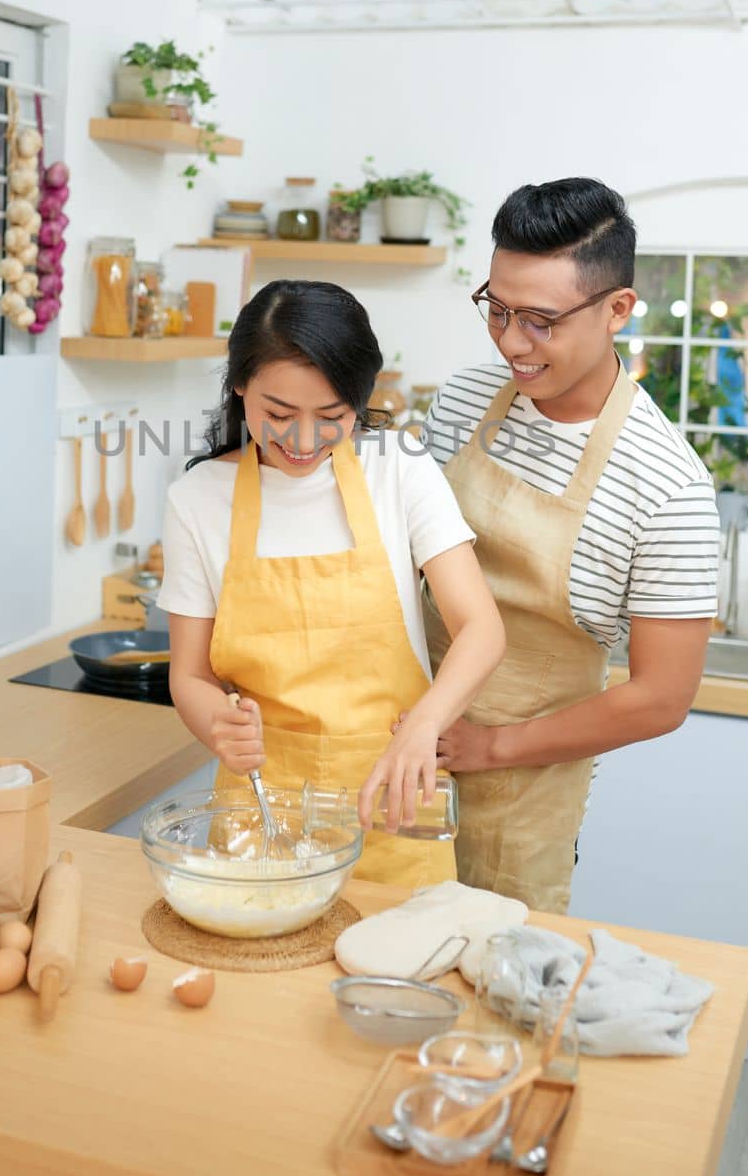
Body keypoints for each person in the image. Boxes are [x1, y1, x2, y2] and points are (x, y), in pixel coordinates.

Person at [419, 178, 719, 913]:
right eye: (496, 308)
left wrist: (489, 748)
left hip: (522, 792)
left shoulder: (667, 487)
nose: (511, 342)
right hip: (398, 752)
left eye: (540, 320)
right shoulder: (462, 400)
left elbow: (660, 699)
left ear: (618, 308)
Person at [158, 278, 507, 885]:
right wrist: (216, 723)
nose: (301, 440)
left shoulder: (399, 470)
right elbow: (188, 675)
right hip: (260, 811)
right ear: (239, 385)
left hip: (393, 798)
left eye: (331, 417)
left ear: (360, 399)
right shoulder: (197, 499)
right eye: (278, 414)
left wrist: (424, 726)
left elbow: (481, 629)